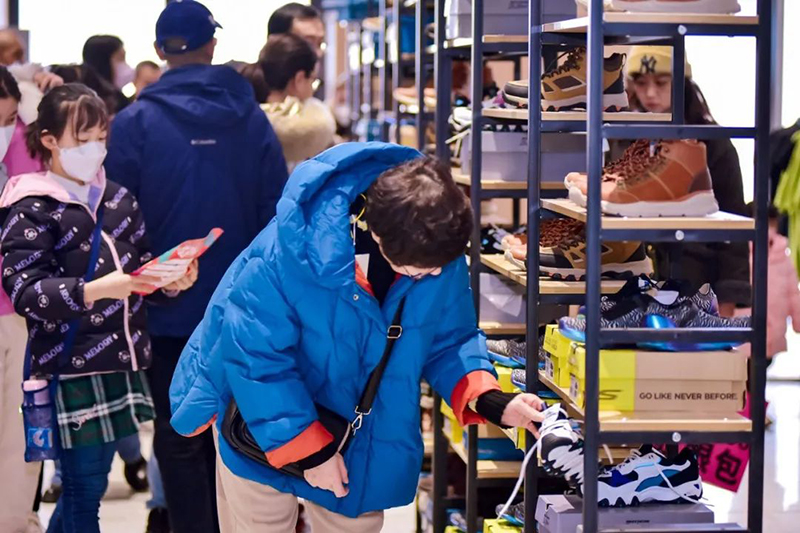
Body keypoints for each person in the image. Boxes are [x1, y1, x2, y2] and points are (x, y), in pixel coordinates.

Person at [170, 144, 546, 532]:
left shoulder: (435, 242)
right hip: (261, 422)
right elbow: (256, 357)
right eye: (418, 270)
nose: (433, 276)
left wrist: (491, 400)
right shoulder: (289, 249)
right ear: (378, 236)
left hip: (360, 432)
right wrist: (311, 453)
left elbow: (450, 338)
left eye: (439, 268)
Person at [104, 2, 289, 531]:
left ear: (159, 51)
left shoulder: (134, 122)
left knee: (178, 431)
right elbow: (277, 213)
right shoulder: (250, 118)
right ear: (212, 46)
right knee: (242, 432)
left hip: (166, 309)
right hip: (244, 308)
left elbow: (117, 221)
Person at [0, 83, 197, 533]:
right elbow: (26, 292)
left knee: (85, 486)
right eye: (82, 138)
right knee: (84, 489)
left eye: (101, 138)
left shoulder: (118, 198)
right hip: (67, 364)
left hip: (120, 359)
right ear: (49, 139)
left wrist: (169, 280)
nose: (94, 149)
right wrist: (93, 290)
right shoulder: (30, 206)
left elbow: (138, 269)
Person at [626, 46, 750, 316]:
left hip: (696, 280)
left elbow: (734, 220)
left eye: (661, 83)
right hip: (635, 280)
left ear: (682, 83)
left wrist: (729, 297)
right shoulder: (623, 136)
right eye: (641, 83)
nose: (650, 93)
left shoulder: (712, 143)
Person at [0, 65, 44, 533]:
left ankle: (14, 522)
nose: (3, 130)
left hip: (21, 312)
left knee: (20, 433)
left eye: (8, 119)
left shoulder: (29, 146)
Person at [260, 34, 335, 173]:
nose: (312, 88)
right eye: (313, 80)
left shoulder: (249, 119)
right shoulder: (315, 129)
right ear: (299, 79)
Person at [232, 3, 325, 103]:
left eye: (320, 43)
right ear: (276, 42)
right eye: (308, 43)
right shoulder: (237, 92)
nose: (318, 53)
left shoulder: (313, 101)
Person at [0, 29, 63, 125]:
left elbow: (36, 123)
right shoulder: (29, 82)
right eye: (17, 54)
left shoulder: (24, 87)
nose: (21, 58)